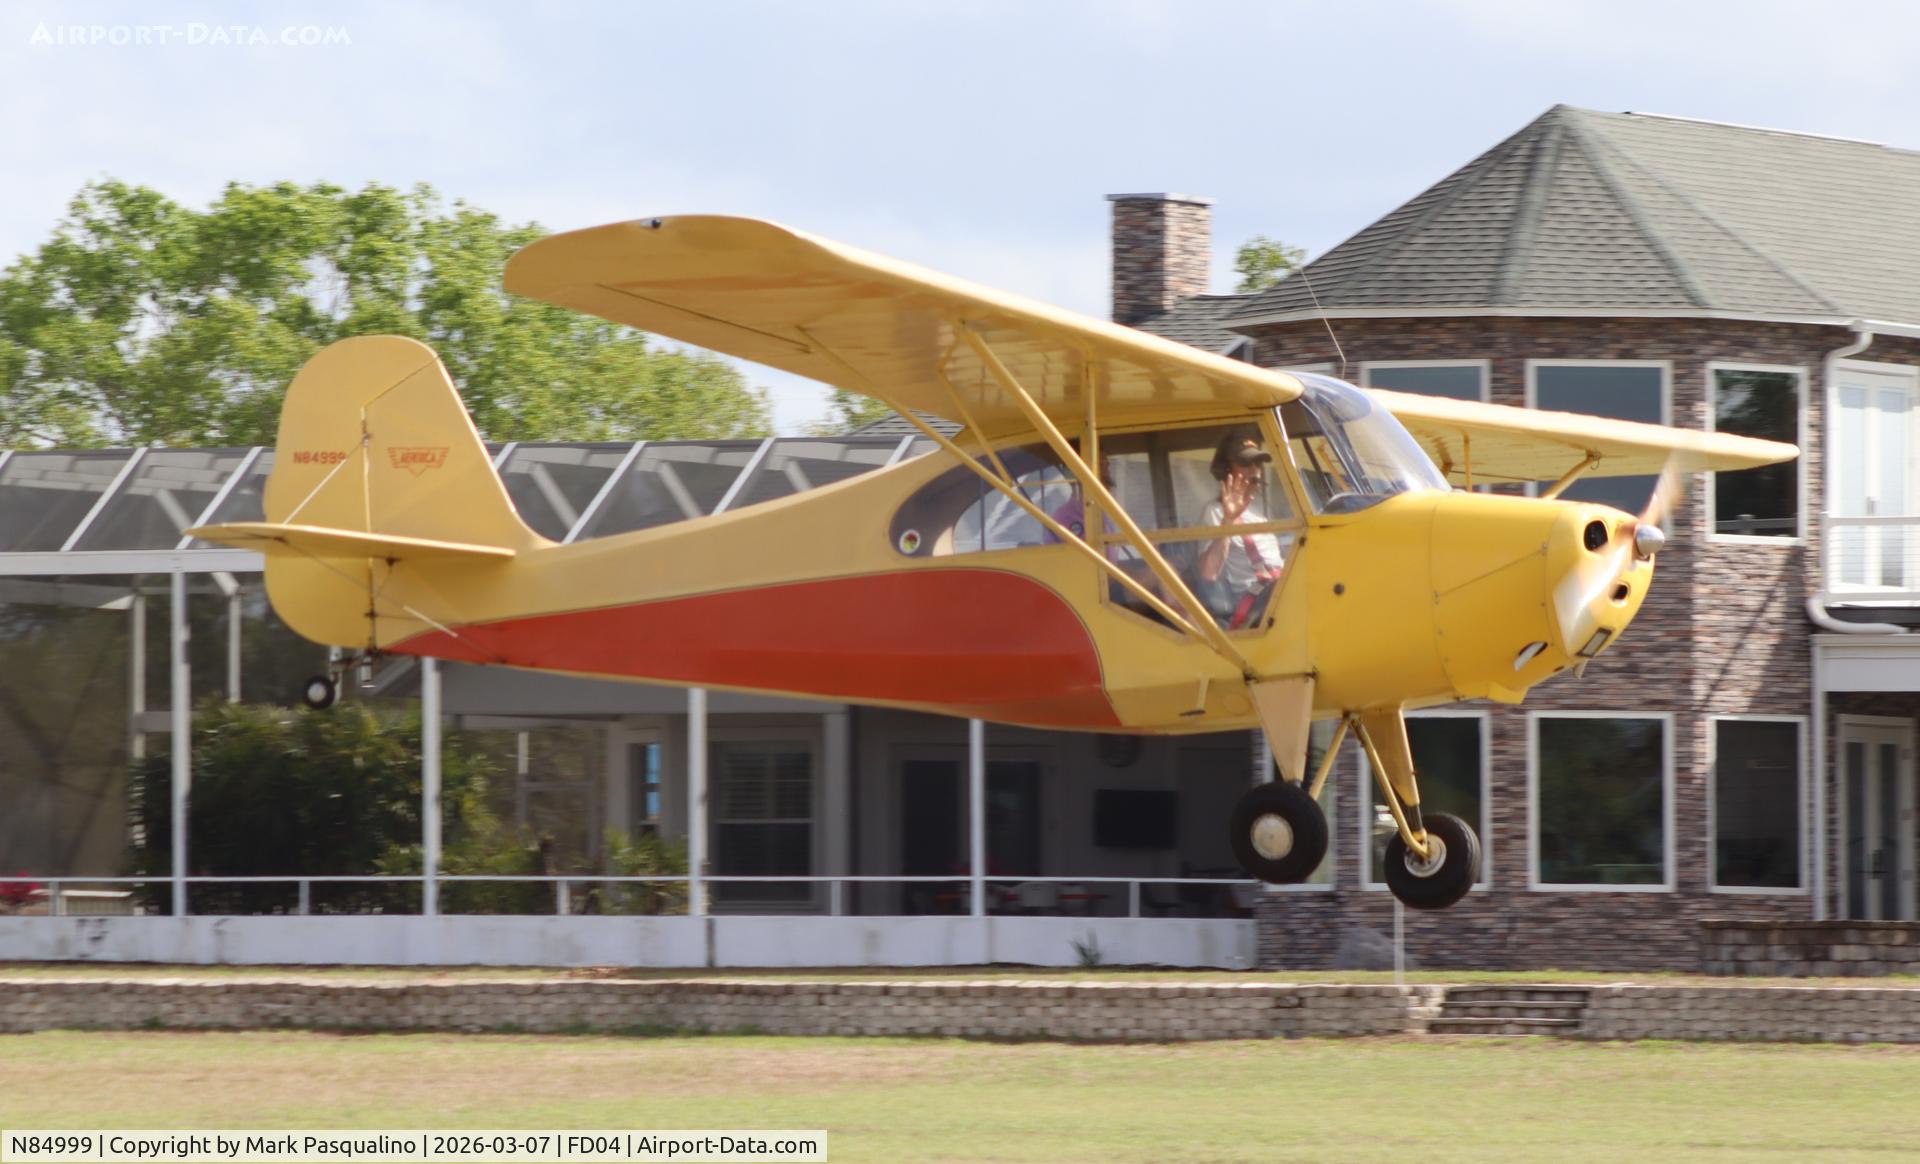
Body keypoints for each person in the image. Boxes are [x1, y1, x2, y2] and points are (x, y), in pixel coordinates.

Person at [1196, 430, 1287, 627]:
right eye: (1245, 464)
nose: (1254, 469)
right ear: (1225, 470)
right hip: (1254, 601)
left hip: (1279, 590)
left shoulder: (1258, 510)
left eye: (1257, 464)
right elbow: (1208, 572)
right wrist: (1229, 519)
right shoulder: (1216, 511)